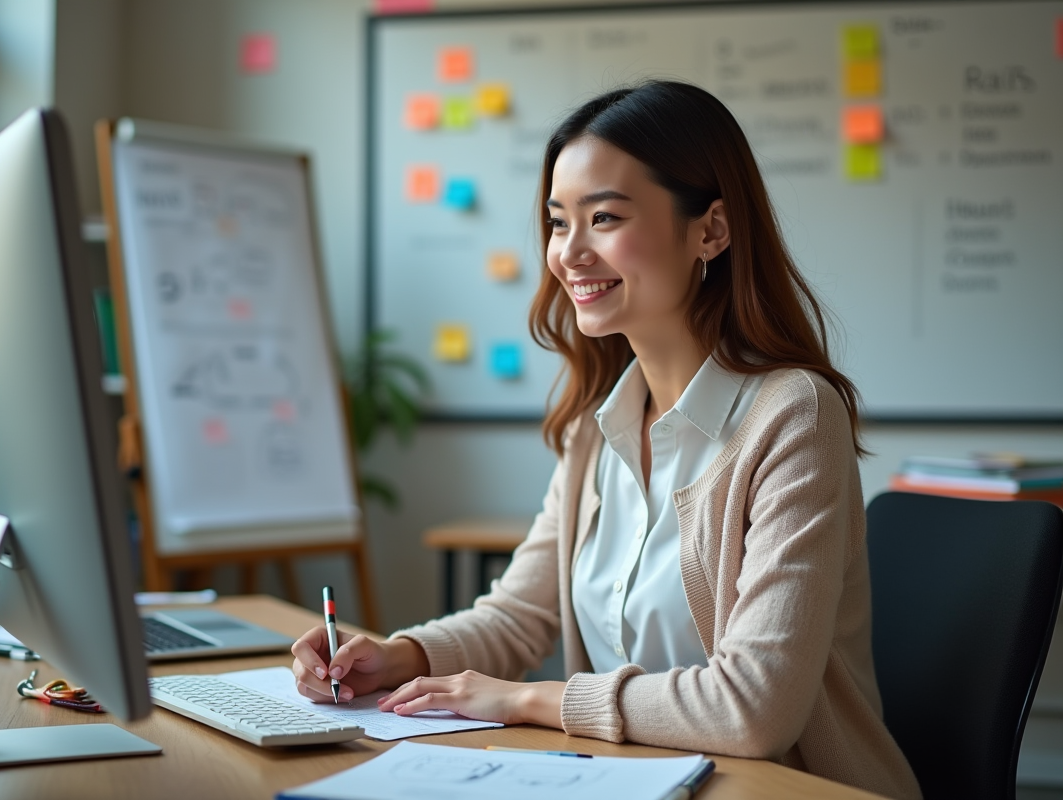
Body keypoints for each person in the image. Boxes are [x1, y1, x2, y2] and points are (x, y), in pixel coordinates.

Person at [291, 80, 921, 799]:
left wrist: (528, 699)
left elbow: (755, 709)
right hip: (631, 781)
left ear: (710, 230)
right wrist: (400, 656)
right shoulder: (601, 423)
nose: (570, 253)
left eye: (605, 218)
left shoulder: (793, 417)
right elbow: (520, 614)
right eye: (560, 223)